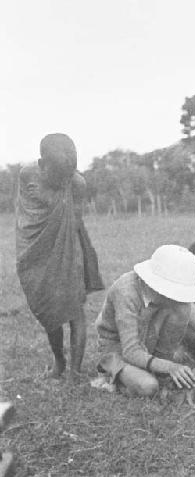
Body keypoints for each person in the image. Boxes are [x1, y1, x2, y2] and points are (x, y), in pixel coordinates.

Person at [16, 133, 104, 381]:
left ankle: (75, 372)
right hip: (36, 249)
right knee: (48, 308)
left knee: (75, 308)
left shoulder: (77, 183)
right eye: (58, 175)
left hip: (69, 247)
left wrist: (68, 266)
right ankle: (59, 362)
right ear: (42, 164)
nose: (64, 180)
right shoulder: (27, 175)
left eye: (68, 175)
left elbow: (72, 222)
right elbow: (28, 216)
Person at [94, 245, 195, 397]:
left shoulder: (175, 298)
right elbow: (131, 351)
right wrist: (170, 367)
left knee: (182, 310)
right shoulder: (126, 292)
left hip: (148, 346)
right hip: (118, 349)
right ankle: (111, 376)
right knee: (148, 386)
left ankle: (157, 368)